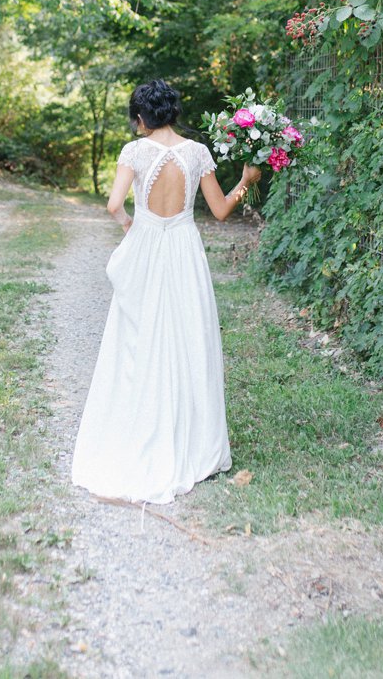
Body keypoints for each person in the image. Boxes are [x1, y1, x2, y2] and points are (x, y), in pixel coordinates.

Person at [71, 78, 261, 506]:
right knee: (188, 336)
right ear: (173, 112)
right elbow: (220, 210)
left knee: (138, 338)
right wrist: (246, 178)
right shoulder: (198, 154)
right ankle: (192, 439)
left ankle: (138, 424)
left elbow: (114, 204)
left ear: (140, 118)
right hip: (183, 250)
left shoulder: (134, 152)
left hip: (148, 245)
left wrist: (129, 227)